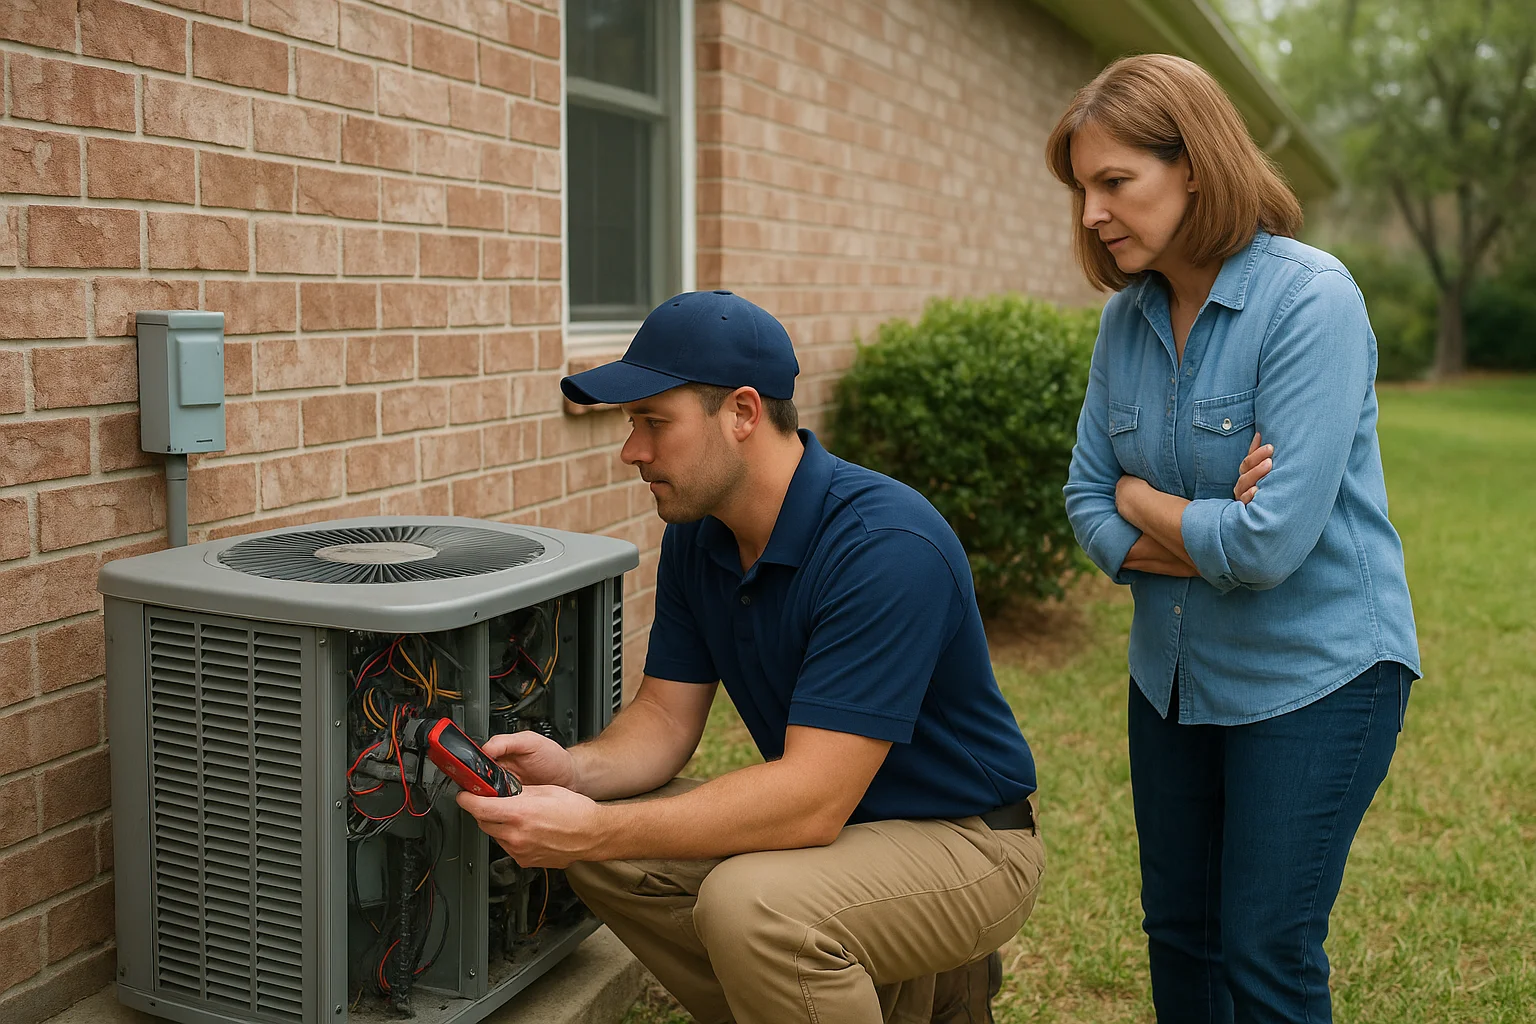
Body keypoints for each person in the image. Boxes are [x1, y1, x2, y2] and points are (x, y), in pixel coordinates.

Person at [455, 289, 1045, 1024]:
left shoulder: (885, 546)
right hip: (846, 833)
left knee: (752, 909)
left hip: (967, 838)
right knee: (597, 851)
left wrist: (596, 824)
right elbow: (666, 718)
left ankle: (898, 973)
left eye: (652, 422)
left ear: (741, 413)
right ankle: (881, 996)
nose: (630, 450)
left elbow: (811, 800)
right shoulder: (699, 538)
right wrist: (573, 773)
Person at [1050, 54, 1420, 1023]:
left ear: (1196, 170)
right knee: (1178, 932)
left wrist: (1146, 499)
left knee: (1264, 950)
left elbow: (1268, 549)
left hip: (1319, 676)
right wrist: (1163, 514)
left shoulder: (1311, 302)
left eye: (1114, 182)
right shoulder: (1124, 323)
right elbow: (1084, 504)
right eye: (1083, 188)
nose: (1091, 212)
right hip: (1170, 677)